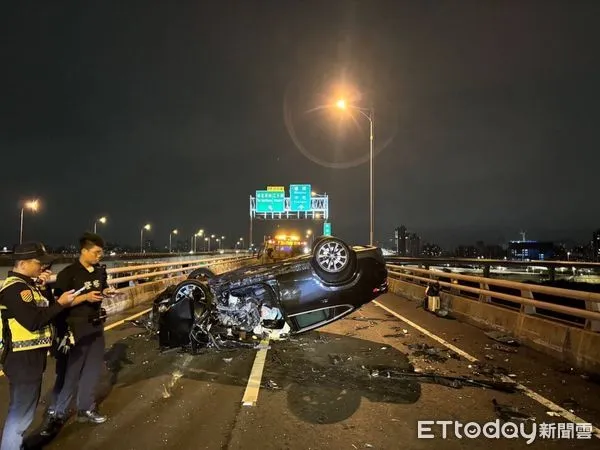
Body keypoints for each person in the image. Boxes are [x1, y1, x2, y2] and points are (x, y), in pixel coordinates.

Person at [0, 242, 93, 450]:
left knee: (24, 411)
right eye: (38, 263)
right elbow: (34, 321)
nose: (43, 267)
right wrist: (61, 303)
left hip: (31, 358)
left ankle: (15, 445)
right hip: (21, 359)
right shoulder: (16, 289)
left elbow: (45, 310)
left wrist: (43, 288)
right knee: (20, 414)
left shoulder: (28, 286)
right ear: (22, 263)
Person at [42, 233, 116, 432]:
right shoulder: (69, 274)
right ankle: (58, 413)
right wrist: (84, 298)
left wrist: (107, 292)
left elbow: (102, 289)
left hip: (96, 326)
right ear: (84, 251)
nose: (100, 256)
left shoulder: (100, 272)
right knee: (71, 373)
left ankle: (86, 408)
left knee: (92, 371)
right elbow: (59, 303)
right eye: (96, 252)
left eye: (101, 252)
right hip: (76, 328)